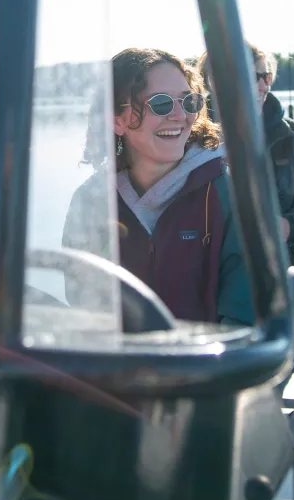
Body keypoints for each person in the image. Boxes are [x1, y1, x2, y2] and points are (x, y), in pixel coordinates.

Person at [62, 47, 254, 327]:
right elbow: (86, 307)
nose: (179, 116)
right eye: (161, 104)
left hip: (211, 366)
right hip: (123, 368)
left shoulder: (229, 194)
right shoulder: (91, 201)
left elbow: (244, 313)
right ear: (116, 119)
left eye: (189, 102)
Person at [198, 43, 294, 266]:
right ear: (217, 81)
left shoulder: (291, 134)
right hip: (207, 275)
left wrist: (287, 227)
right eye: (252, 76)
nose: (261, 86)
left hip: (279, 272)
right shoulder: (191, 135)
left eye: (265, 77)